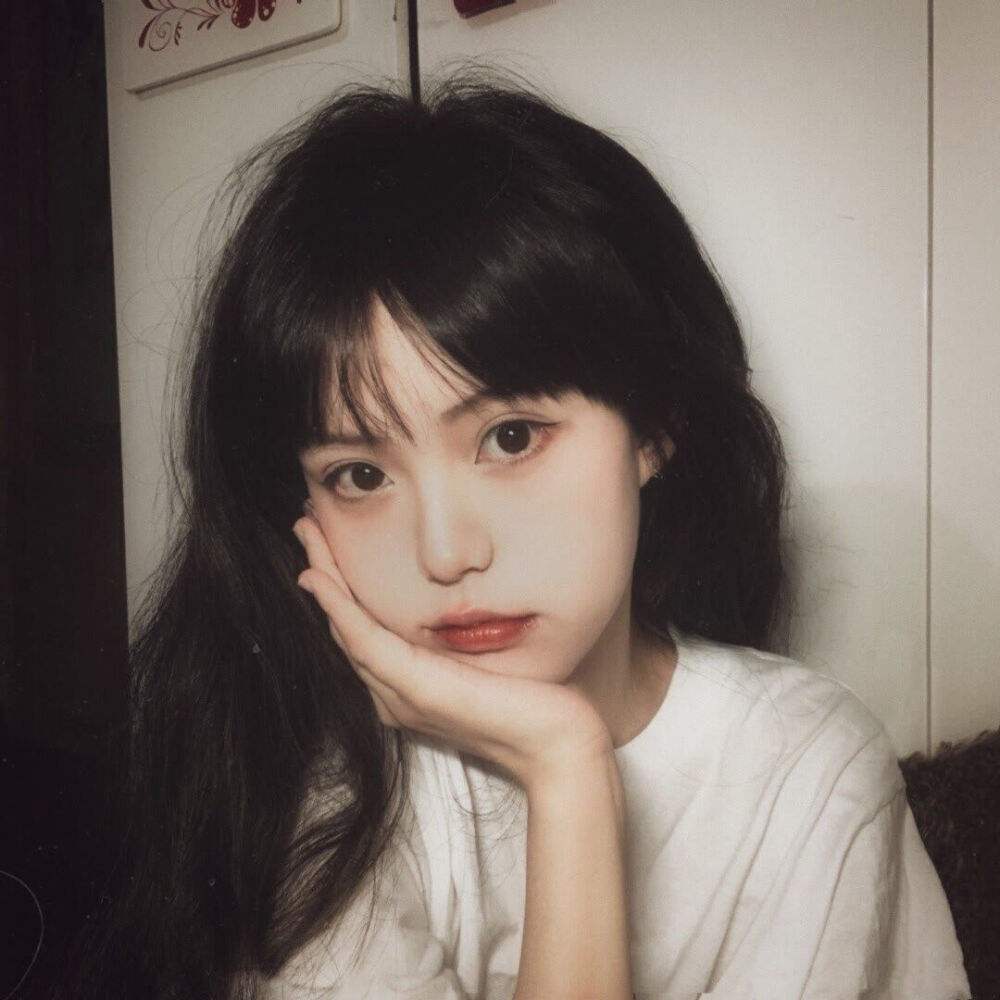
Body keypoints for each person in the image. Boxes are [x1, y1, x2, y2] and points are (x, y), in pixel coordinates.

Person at [70, 72, 971, 1000]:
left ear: (654, 427)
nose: (446, 553)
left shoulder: (806, 770)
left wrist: (565, 768)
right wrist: (565, 765)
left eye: (510, 438)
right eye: (361, 475)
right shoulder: (307, 784)